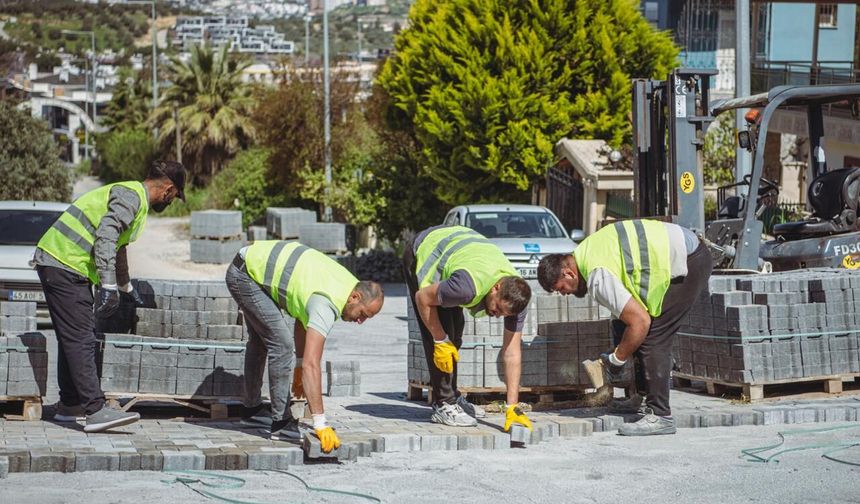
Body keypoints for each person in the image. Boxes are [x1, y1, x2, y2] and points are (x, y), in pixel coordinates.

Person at [34, 160, 186, 432]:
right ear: (168, 189)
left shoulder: (133, 198)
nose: (172, 201)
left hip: (62, 262)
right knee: (81, 337)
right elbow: (106, 236)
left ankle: (70, 405)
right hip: (64, 261)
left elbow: (119, 249)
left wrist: (125, 287)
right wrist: (107, 284)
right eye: (175, 196)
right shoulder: (131, 197)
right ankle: (94, 409)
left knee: (73, 335)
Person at [537, 219, 712, 436]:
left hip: (688, 261)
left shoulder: (596, 274)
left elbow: (640, 322)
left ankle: (661, 416)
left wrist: (616, 359)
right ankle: (639, 396)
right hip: (680, 252)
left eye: (561, 289)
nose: (564, 294)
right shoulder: (584, 253)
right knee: (623, 326)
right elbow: (623, 317)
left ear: (568, 274)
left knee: (653, 336)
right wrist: (621, 341)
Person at [226, 241, 384, 452]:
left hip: (250, 267)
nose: (360, 321)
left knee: (262, 341)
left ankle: (252, 411)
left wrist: (299, 365)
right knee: (281, 344)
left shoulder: (347, 286)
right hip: (245, 276)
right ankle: (281, 423)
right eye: (363, 314)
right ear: (356, 297)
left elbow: (303, 320)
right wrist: (320, 422)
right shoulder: (328, 301)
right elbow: (313, 364)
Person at [403, 225, 534, 432]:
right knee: (441, 336)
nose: (498, 315)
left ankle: (452, 396)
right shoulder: (466, 288)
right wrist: (439, 339)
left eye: (503, 314)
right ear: (496, 287)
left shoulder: (517, 301)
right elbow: (422, 299)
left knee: (456, 333)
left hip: (460, 256)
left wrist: (512, 406)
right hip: (425, 247)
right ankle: (443, 404)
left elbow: (512, 352)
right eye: (498, 308)